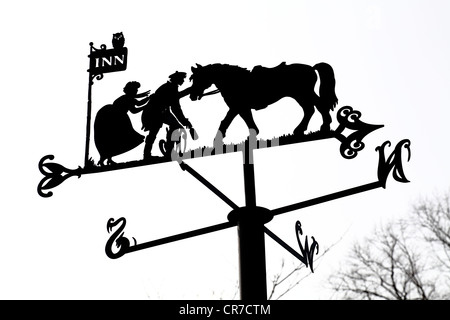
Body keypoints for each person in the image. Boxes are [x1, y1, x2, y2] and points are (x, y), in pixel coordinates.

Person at [141, 71, 197, 160]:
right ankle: (149, 154)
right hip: (154, 113)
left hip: (162, 112)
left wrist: (185, 122)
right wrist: (185, 122)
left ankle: (167, 151)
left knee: (174, 127)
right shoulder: (169, 88)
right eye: (182, 79)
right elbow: (175, 106)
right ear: (177, 79)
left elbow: (175, 100)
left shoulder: (171, 87)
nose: (183, 81)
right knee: (153, 133)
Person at [94, 81, 151, 165]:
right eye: (135, 90)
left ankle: (107, 158)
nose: (136, 91)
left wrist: (147, 98)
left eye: (137, 90)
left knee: (114, 139)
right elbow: (134, 110)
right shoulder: (128, 98)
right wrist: (147, 104)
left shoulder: (126, 97)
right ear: (131, 90)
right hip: (116, 119)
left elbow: (136, 100)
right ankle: (104, 159)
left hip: (116, 117)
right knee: (115, 138)